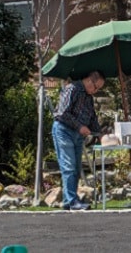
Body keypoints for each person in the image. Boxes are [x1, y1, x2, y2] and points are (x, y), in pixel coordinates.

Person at [52, 70, 105, 211]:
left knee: (75, 168)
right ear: (88, 80)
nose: (96, 91)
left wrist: (100, 134)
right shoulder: (72, 89)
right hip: (64, 131)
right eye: (96, 87)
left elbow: (92, 117)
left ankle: (68, 201)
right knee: (68, 166)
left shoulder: (89, 97)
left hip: (77, 135)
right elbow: (62, 113)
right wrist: (80, 126)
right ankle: (72, 201)